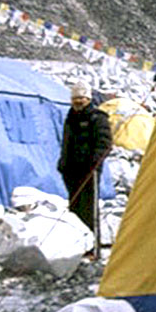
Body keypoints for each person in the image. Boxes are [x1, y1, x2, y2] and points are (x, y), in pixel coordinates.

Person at [57, 81, 112, 233]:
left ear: (88, 99)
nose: (78, 101)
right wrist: (62, 163)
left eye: (81, 98)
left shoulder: (97, 118)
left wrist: (94, 162)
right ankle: (78, 240)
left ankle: (92, 243)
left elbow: (105, 143)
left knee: (88, 208)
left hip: (89, 171)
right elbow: (67, 143)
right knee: (74, 207)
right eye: (75, 98)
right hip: (71, 170)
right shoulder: (71, 118)